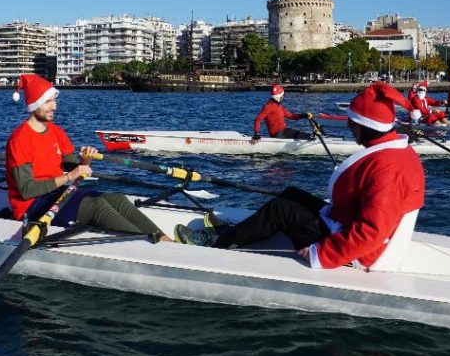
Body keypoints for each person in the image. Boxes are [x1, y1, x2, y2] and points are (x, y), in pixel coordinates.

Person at [176, 82, 426, 273]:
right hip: (347, 225)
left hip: (361, 255)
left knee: (282, 209)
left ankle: (217, 243)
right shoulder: (398, 152)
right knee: (292, 194)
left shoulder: (386, 168)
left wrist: (322, 254)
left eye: (352, 123)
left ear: (363, 125)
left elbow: (372, 230)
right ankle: (238, 233)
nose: (350, 129)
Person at [6, 74, 173, 241]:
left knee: (117, 199)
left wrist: (86, 160)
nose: (54, 107)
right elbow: (27, 190)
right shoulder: (20, 139)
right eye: (48, 101)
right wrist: (69, 176)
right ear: (34, 104)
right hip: (32, 206)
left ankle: (165, 241)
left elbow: (73, 168)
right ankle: (146, 245)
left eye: (54, 101)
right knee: (96, 206)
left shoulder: (57, 132)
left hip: (57, 194)